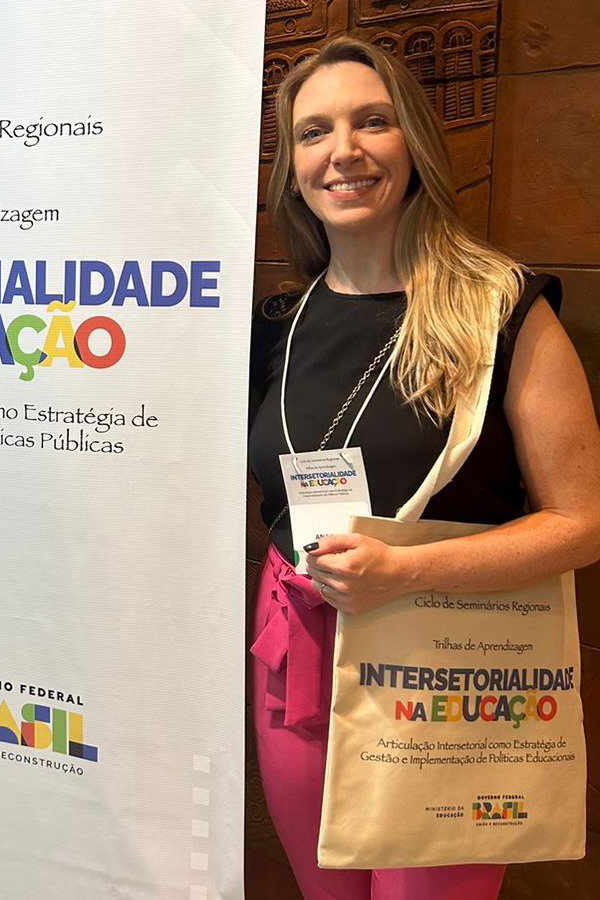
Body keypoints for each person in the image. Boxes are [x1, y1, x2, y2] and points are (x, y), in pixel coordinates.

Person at [248, 35, 600, 899]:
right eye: (315, 131)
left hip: (445, 665)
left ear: (415, 144)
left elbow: (582, 522)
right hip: (296, 649)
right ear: (293, 167)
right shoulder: (278, 324)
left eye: (373, 122)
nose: (344, 151)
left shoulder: (501, 309)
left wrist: (405, 571)